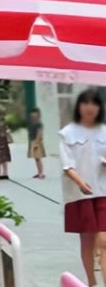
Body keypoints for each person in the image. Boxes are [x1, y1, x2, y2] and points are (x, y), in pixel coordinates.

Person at [60, 89, 106, 287]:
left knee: (103, 240)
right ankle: (91, 281)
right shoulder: (67, 133)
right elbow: (66, 165)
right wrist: (80, 182)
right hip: (80, 194)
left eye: (94, 104)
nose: (90, 108)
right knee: (87, 240)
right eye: (85, 103)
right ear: (79, 107)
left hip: (103, 190)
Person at [28, 107, 46, 179]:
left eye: (35, 115)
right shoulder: (32, 123)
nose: (33, 117)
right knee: (36, 158)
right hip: (33, 141)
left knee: (38, 158)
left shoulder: (39, 124)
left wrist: (37, 143)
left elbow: (39, 133)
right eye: (32, 116)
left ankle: (41, 173)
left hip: (36, 142)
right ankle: (39, 172)